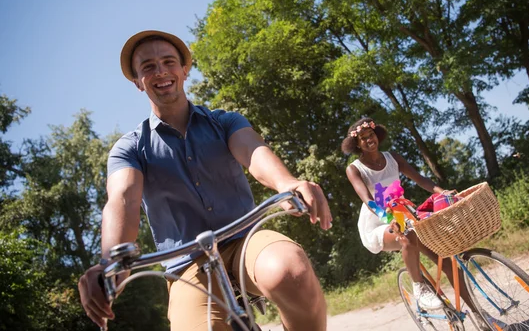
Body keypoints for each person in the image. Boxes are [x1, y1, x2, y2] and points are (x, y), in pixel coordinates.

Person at [78, 30, 333, 331]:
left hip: (247, 240)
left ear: (184, 70)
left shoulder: (225, 122)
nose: (160, 71)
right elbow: (123, 199)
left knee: (290, 272)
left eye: (168, 62)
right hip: (186, 266)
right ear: (137, 81)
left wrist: (287, 183)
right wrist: (110, 260)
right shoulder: (130, 148)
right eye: (147, 67)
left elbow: (254, 153)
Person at [342, 117, 475, 313]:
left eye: (371, 135)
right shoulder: (354, 169)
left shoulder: (393, 158)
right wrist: (388, 218)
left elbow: (421, 179)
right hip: (378, 222)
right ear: (357, 144)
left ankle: (480, 315)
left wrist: (442, 192)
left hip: (403, 215)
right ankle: (419, 288)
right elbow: (368, 200)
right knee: (408, 236)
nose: (370, 140)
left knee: (447, 263)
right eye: (363, 138)